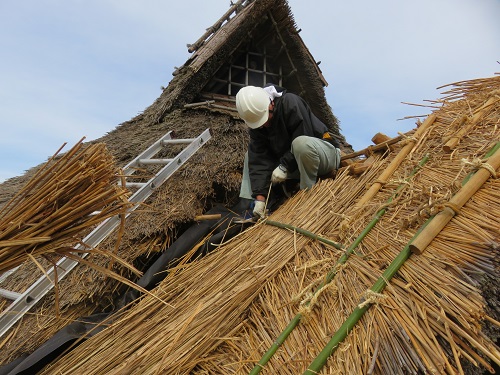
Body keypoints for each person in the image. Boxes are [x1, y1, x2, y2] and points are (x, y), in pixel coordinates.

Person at [236, 84, 341, 219]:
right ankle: (251, 207)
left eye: (264, 119)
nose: (263, 125)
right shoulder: (258, 127)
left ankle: (308, 195)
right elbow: (259, 160)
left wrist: (284, 166)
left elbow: (304, 135)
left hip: (323, 155)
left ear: (271, 104)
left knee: (300, 143)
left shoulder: (290, 102)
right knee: (249, 156)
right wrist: (260, 198)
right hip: (296, 164)